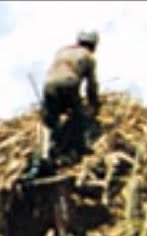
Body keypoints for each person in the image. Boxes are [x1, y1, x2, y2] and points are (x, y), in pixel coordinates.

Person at [41, 30, 101, 162]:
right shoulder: (88, 56)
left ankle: (46, 154)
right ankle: (71, 151)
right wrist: (94, 105)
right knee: (79, 116)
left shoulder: (62, 51)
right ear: (93, 45)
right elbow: (91, 86)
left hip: (48, 85)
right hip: (68, 83)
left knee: (50, 120)